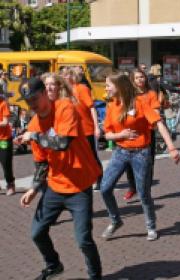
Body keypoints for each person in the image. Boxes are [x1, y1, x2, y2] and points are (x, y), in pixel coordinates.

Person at [18, 77, 102, 280]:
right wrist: (34, 188)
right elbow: (42, 163)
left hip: (79, 186)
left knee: (83, 239)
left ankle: (95, 275)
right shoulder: (34, 124)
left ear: (46, 93)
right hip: (55, 187)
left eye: (35, 99)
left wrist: (35, 136)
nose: (32, 105)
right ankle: (53, 264)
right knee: (37, 233)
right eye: (28, 102)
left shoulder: (65, 108)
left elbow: (62, 142)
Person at [100, 73, 180, 241]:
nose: (105, 88)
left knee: (143, 192)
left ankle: (151, 226)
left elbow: (159, 123)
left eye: (108, 85)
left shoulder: (139, 103)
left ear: (120, 86)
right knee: (105, 188)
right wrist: (119, 135)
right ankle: (115, 220)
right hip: (120, 152)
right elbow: (106, 135)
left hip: (141, 153)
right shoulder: (112, 105)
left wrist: (171, 147)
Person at [60, 68, 103, 189]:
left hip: (86, 128)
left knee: (91, 155)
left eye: (67, 75)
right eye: (63, 75)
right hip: (72, 130)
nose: (64, 77)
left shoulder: (81, 88)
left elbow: (91, 107)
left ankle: (99, 177)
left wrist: (96, 127)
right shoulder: (63, 92)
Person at [123, 68, 161, 201]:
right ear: (132, 80)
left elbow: (156, 111)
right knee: (128, 163)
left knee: (148, 163)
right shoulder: (129, 95)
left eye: (142, 77)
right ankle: (132, 187)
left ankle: (146, 190)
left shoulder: (151, 94)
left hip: (148, 132)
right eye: (137, 77)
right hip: (132, 133)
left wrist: (152, 117)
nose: (140, 79)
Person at [0, 86, 16, 195]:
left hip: (4, 139)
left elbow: (5, 122)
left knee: (6, 163)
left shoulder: (3, 104)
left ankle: (10, 184)